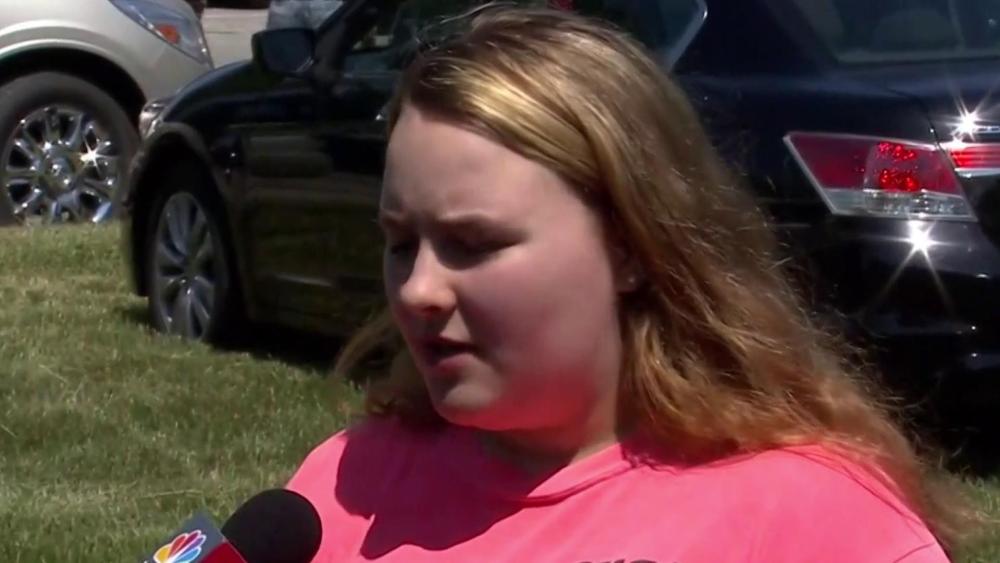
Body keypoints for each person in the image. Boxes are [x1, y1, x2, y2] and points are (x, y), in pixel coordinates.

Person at [287, 7, 973, 562]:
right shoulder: (344, 484)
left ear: (630, 245)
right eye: (402, 244)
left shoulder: (813, 519)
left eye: (473, 244)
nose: (418, 290)